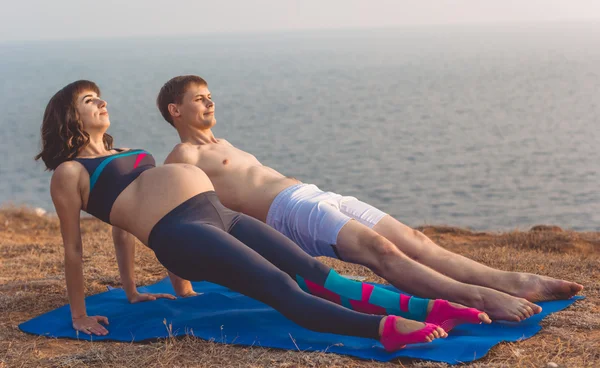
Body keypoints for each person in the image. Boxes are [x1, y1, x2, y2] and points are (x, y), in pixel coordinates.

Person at [35, 80, 490, 351]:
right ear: (68, 117)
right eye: (89, 100)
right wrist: (79, 315)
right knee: (281, 288)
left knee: (316, 272)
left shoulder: (125, 151)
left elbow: (121, 232)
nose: (101, 103)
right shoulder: (71, 173)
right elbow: (73, 248)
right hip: (182, 233)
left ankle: (436, 308)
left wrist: (134, 290)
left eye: (99, 96)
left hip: (219, 214)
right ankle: (386, 329)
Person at [156, 75, 583, 322]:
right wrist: (184, 284)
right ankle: (475, 298)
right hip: (289, 213)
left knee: (416, 240)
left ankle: (515, 282)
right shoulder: (184, 155)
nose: (209, 101)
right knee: (382, 251)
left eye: (210, 94)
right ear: (175, 111)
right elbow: (182, 216)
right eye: (198, 97)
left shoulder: (223, 141)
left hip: (315, 195)